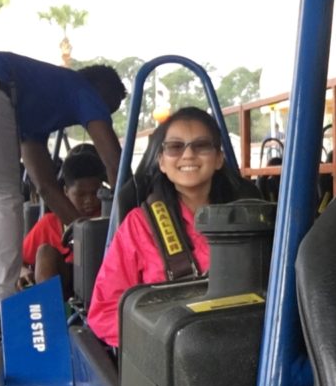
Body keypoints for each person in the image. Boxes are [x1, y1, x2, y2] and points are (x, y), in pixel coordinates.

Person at [87, 106, 237, 347]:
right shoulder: (139, 225)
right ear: (162, 162)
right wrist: (165, 343)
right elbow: (104, 312)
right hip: (172, 359)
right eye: (175, 147)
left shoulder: (246, 219)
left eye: (201, 145)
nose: (188, 155)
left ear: (218, 158)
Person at [0, 52, 126, 306]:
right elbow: (114, 163)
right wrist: (130, 225)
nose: (104, 115)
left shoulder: (32, 117)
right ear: (102, 90)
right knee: (3, 196)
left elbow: (46, 186)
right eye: (108, 108)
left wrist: (85, 233)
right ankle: (0, 304)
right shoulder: (82, 88)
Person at [20, 150, 106, 296]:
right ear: (65, 191)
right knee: (45, 252)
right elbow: (20, 261)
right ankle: (48, 310)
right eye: (81, 195)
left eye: (94, 193)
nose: (89, 200)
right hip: (62, 284)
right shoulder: (50, 223)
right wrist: (24, 271)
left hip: (99, 280)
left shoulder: (107, 219)